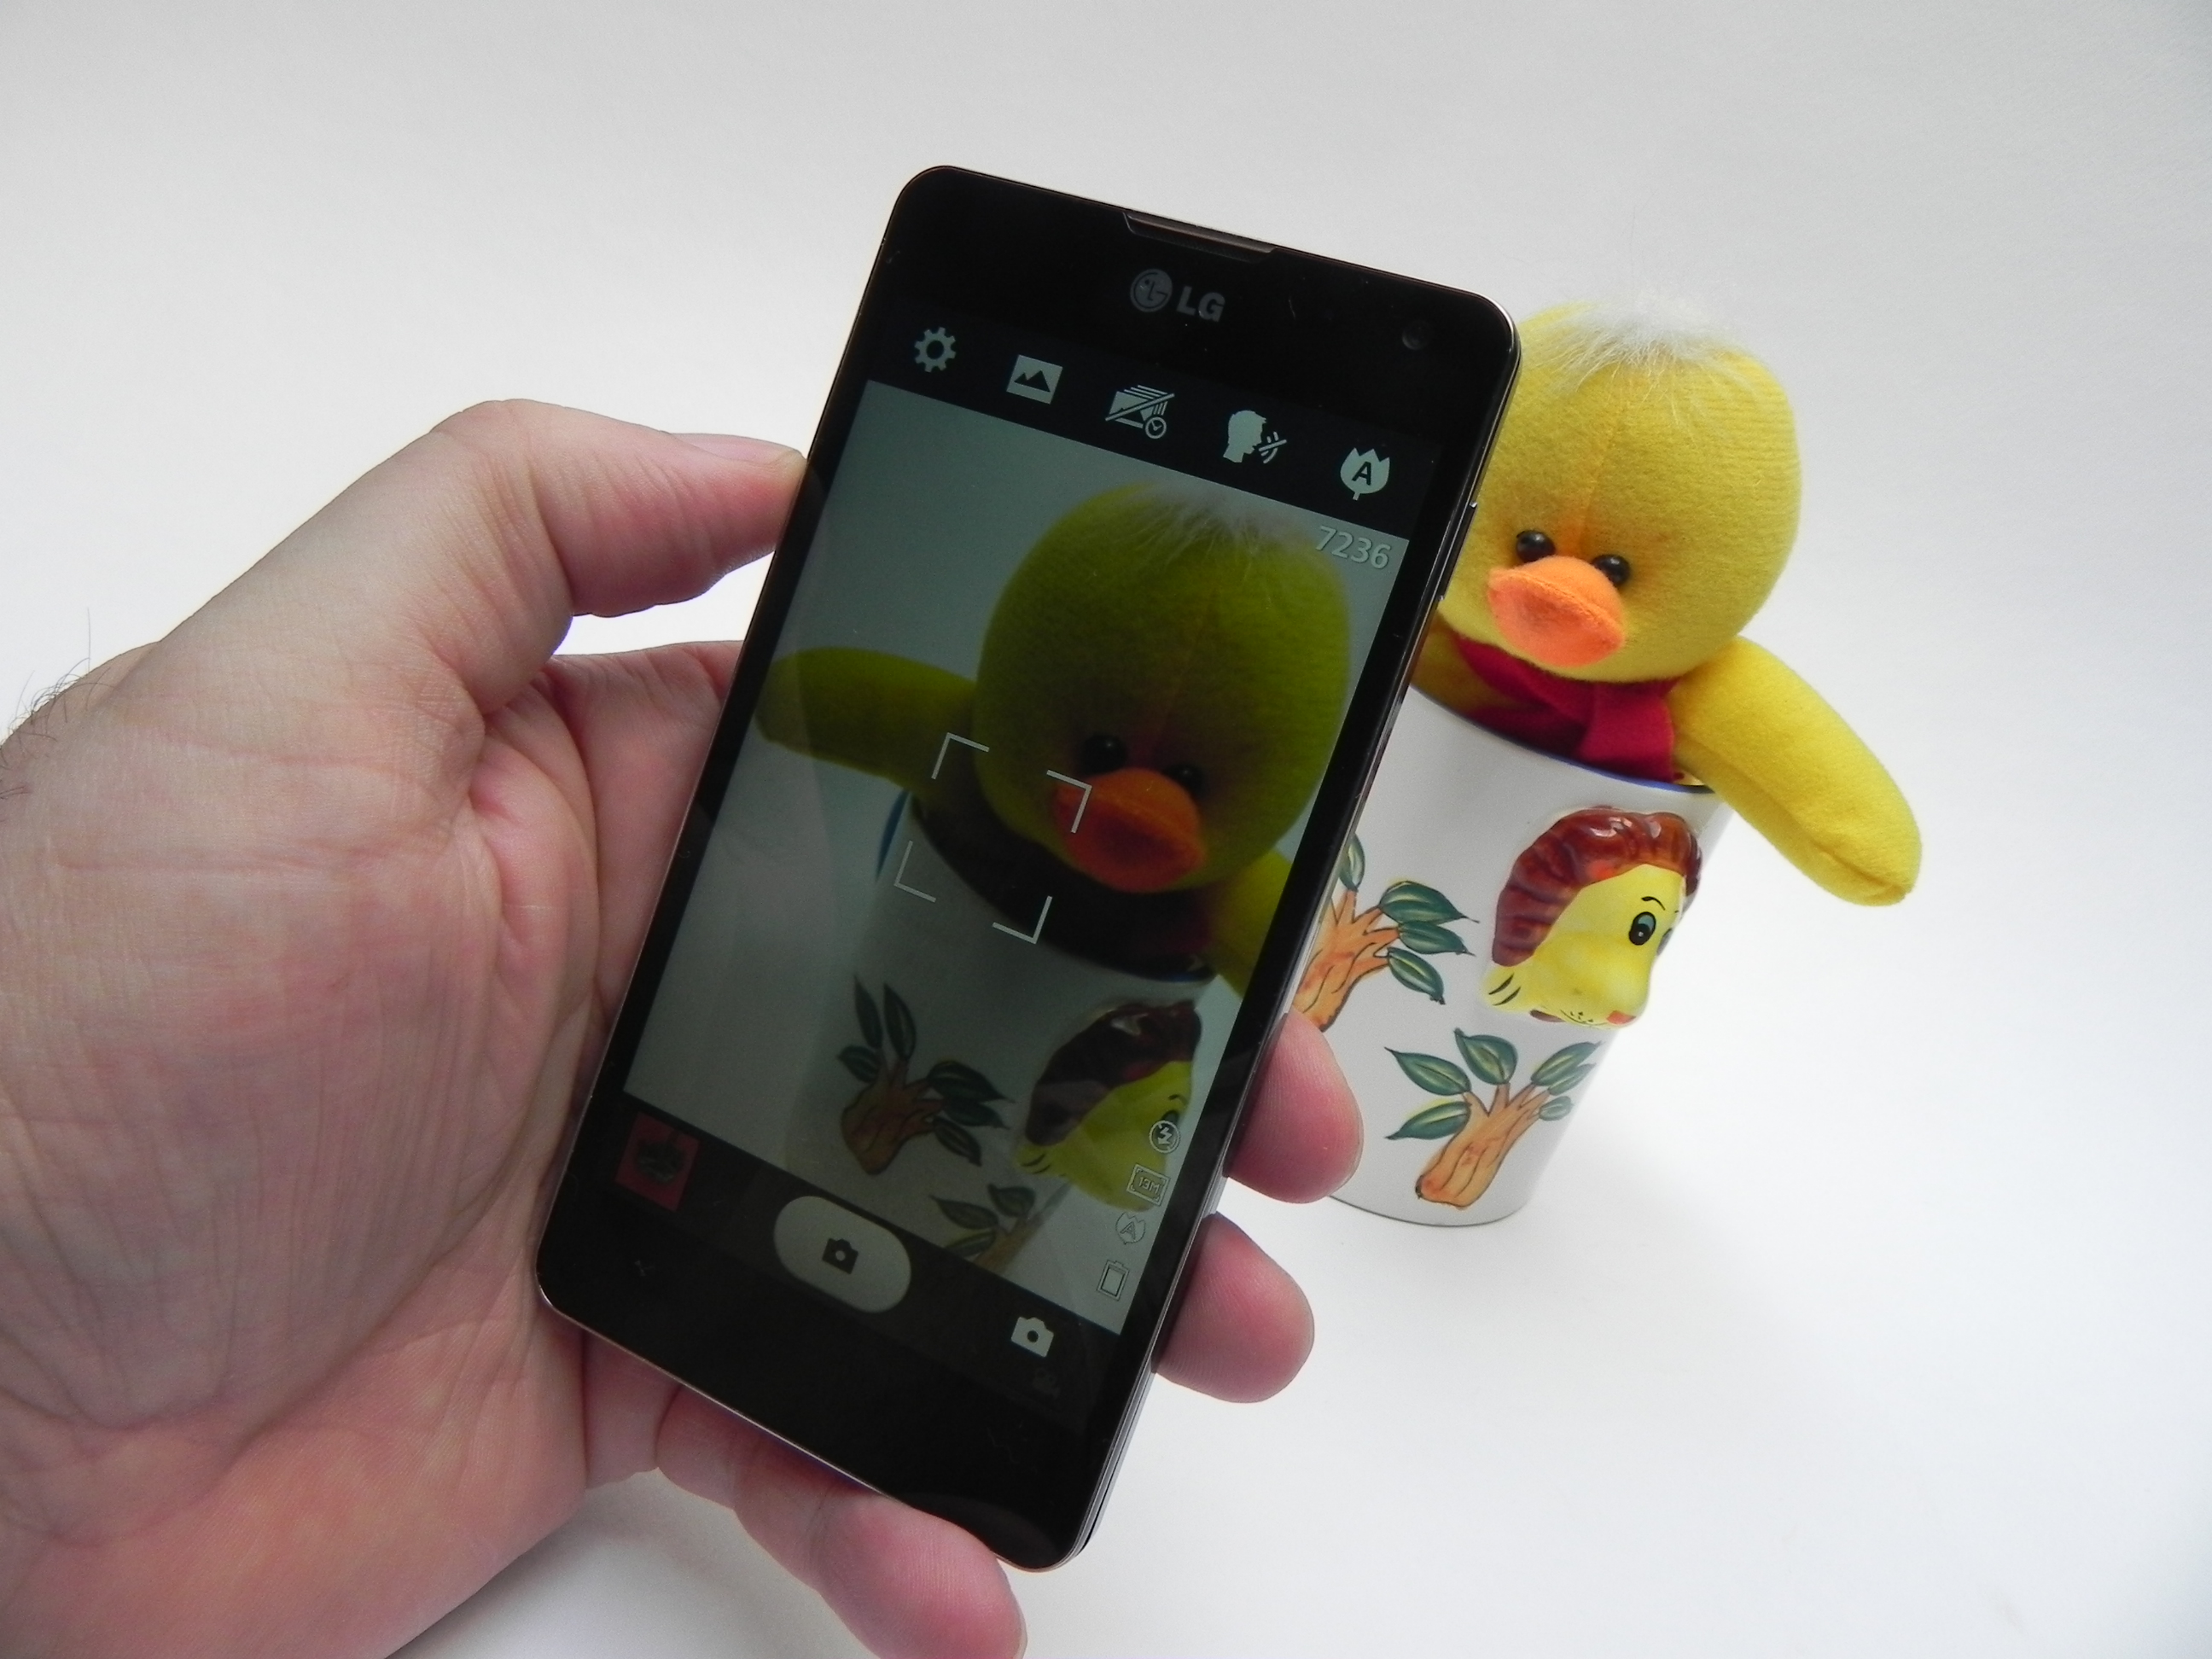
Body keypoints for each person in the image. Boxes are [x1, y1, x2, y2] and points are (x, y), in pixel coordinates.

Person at [0, 402, 1364, 1658]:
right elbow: (821, 691)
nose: (1126, 804)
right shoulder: (966, 746)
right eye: (1102, 748)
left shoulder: (1221, 896)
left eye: (1191, 778)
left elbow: (826, 689)